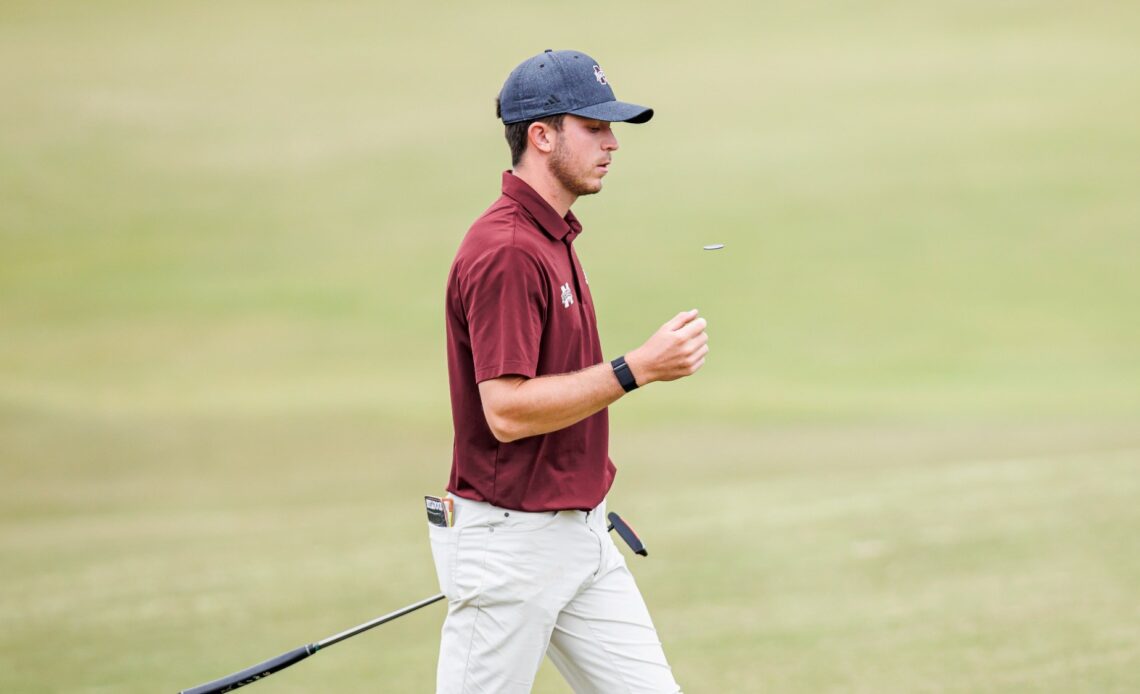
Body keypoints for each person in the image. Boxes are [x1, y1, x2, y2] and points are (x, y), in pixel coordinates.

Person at [430, 49, 708, 694]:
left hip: (581, 537)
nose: (612, 144)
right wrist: (636, 369)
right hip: (509, 544)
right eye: (594, 128)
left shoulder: (551, 236)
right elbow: (505, 411)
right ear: (542, 135)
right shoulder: (506, 250)